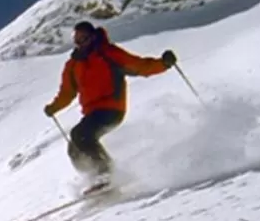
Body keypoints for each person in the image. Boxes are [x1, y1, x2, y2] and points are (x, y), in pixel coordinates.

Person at [43, 20, 177, 175]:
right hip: (91, 113)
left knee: (80, 135)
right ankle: (93, 176)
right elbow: (67, 93)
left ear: (92, 36)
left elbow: (139, 66)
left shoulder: (108, 53)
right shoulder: (73, 65)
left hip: (111, 108)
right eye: (77, 39)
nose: (80, 43)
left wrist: (163, 63)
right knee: (74, 147)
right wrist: (54, 107)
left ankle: (106, 173)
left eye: (83, 38)